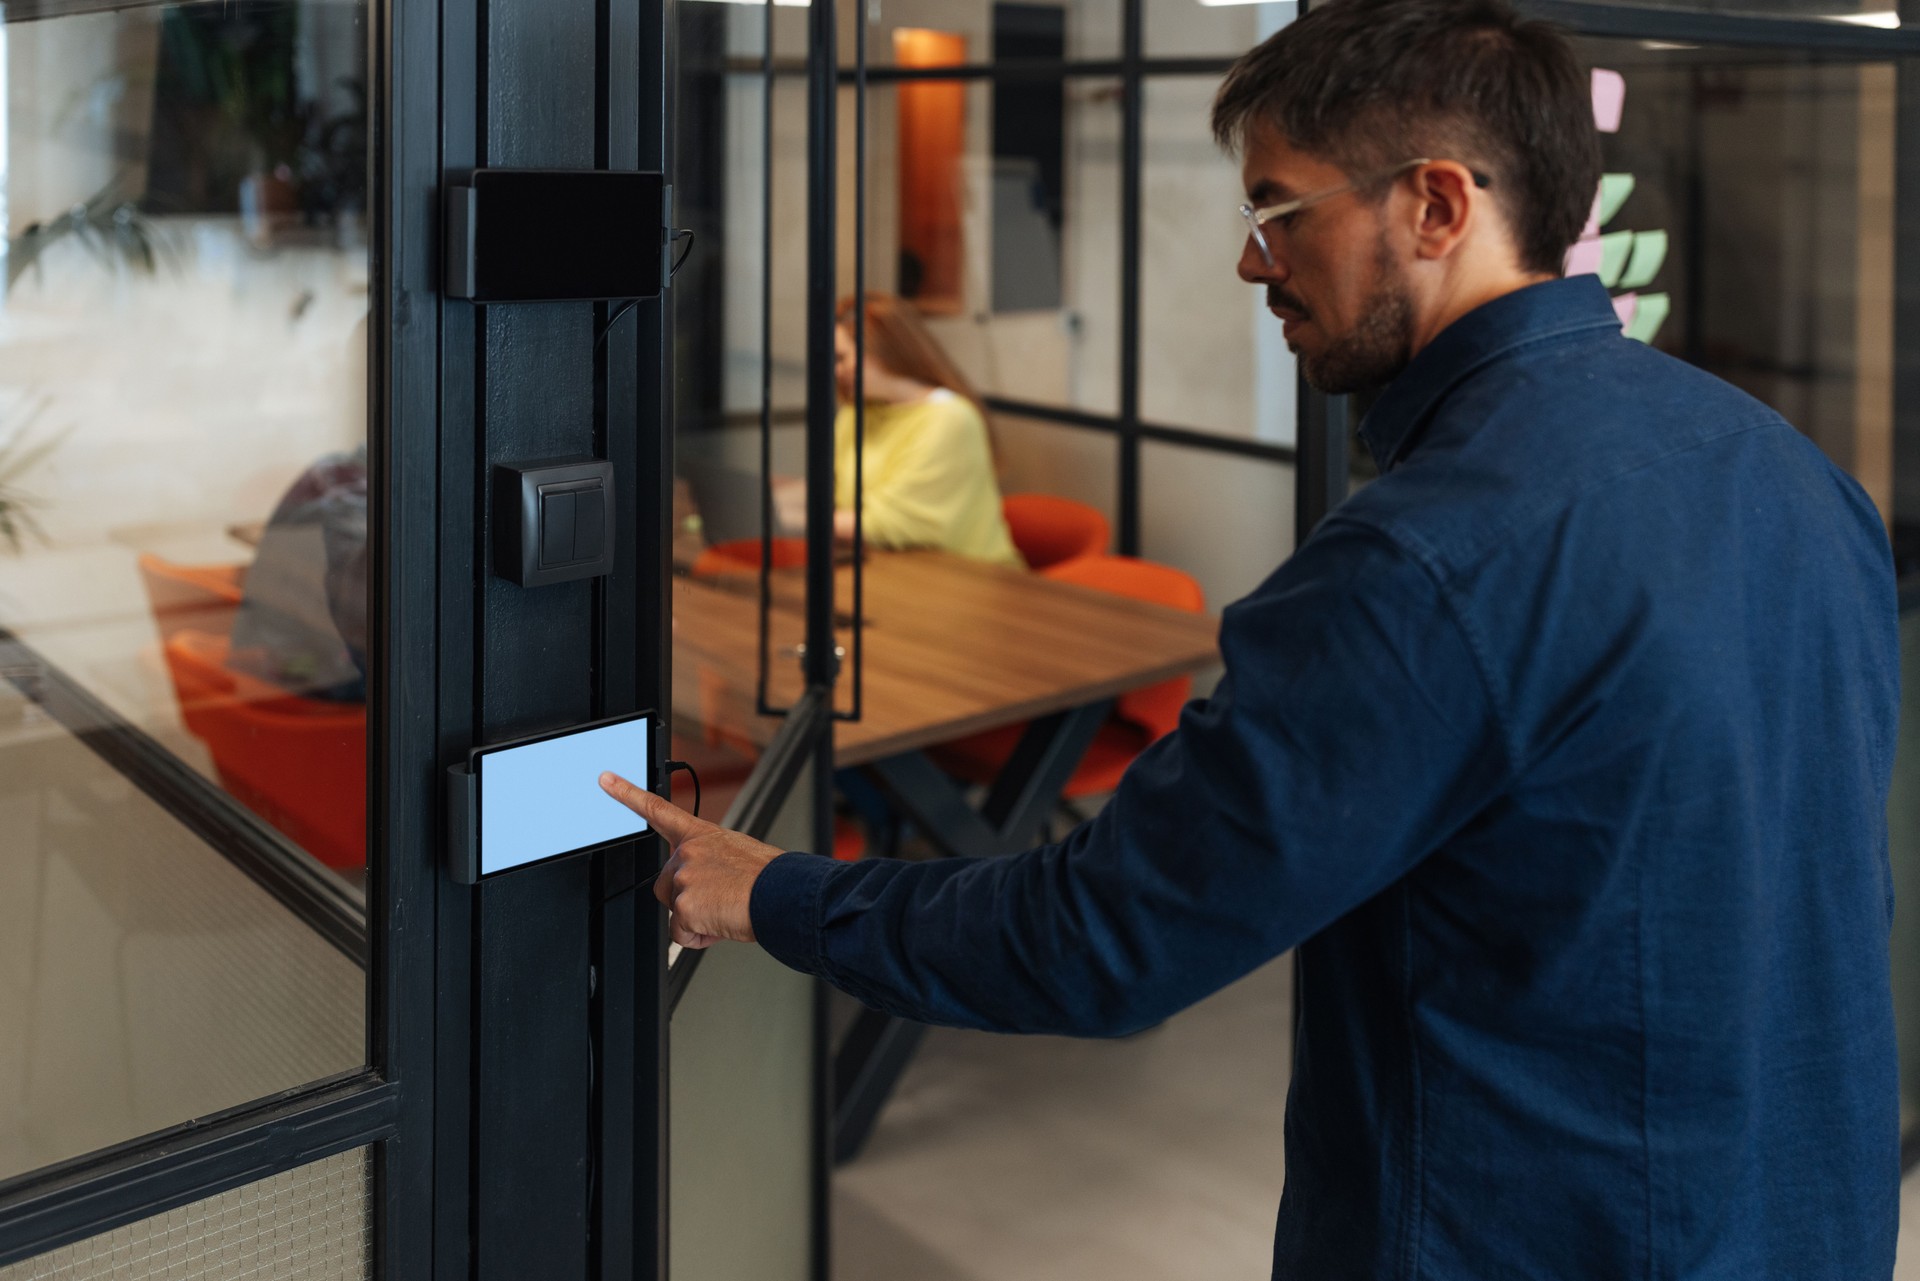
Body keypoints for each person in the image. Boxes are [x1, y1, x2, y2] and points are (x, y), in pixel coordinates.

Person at [602, 1, 1901, 1275]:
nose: (1250, 262)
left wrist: (769, 890)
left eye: (1279, 211)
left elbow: (1103, 936)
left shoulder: (1424, 556)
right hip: (1807, 1221)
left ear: (1437, 206)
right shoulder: (1793, 472)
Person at [823, 292, 1022, 567]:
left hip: (966, 575)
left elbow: (890, 522)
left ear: (881, 352)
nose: (837, 370)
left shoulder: (949, 420)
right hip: (889, 564)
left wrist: (800, 521)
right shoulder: (857, 413)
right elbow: (835, 496)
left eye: (841, 358)